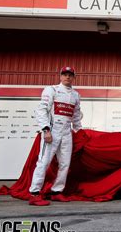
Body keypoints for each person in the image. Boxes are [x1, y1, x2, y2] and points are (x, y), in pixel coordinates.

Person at [28, 66, 82, 206]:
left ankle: (57, 192)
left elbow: (76, 116)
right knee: (44, 162)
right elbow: (41, 110)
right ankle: (34, 193)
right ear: (60, 76)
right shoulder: (51, 90)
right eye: (65, 74)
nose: (67, 77)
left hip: (66, 132)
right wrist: (46, 129)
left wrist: (79, 130)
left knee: (65, 164)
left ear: (74, 77)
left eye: (70, 75)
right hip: (52, 131)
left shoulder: (76, 95)